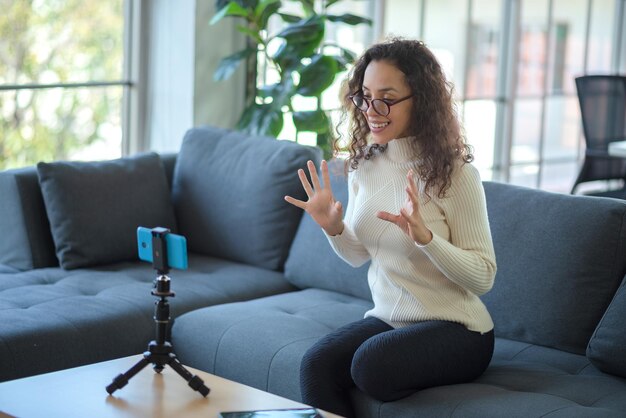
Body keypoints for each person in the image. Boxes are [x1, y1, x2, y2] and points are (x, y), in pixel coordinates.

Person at [284, 37, 497, 418]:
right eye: (364, 96)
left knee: (370, 366)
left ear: (421, 100)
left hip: (460, 330)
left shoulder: (457, 176)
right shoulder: (365, 165)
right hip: (390, 319)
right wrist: (332, 227)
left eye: (386, 97)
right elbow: (358, 256)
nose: (372, 110)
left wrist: (427, 239)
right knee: (316, 365)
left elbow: (482, 277)